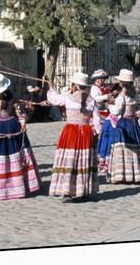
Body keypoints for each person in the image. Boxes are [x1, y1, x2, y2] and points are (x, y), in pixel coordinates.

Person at [46, 73, 99, 202]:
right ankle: (84, 189)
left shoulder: (68, 98)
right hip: (86, 132)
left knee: (69, 160)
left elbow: (53, 99)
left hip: (71, 132)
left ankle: (67, 190)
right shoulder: (92, 100)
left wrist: (50, 85)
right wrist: (97, 133)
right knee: (83, 160)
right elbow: (97, 120)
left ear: (75, 85)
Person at [90, 69, 111, 135]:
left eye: (103, 79)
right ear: (97, 79)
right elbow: (96, 98)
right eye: (101, 79)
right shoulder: (94, 88)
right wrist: (107, 96)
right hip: (98, 111)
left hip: (107, 111)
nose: (103, 80)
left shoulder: (105, 87)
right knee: (100, 130)